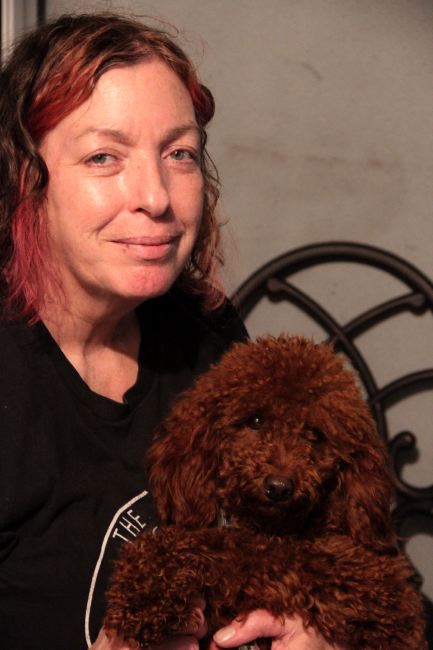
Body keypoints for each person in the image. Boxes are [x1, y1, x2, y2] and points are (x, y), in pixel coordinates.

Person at [0, 12, 343, 650]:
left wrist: (321, 627)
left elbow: (321, 549)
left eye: (178, 153)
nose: (156, 197)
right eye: (104, 157)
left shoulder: (206, 336)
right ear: (25, 178)